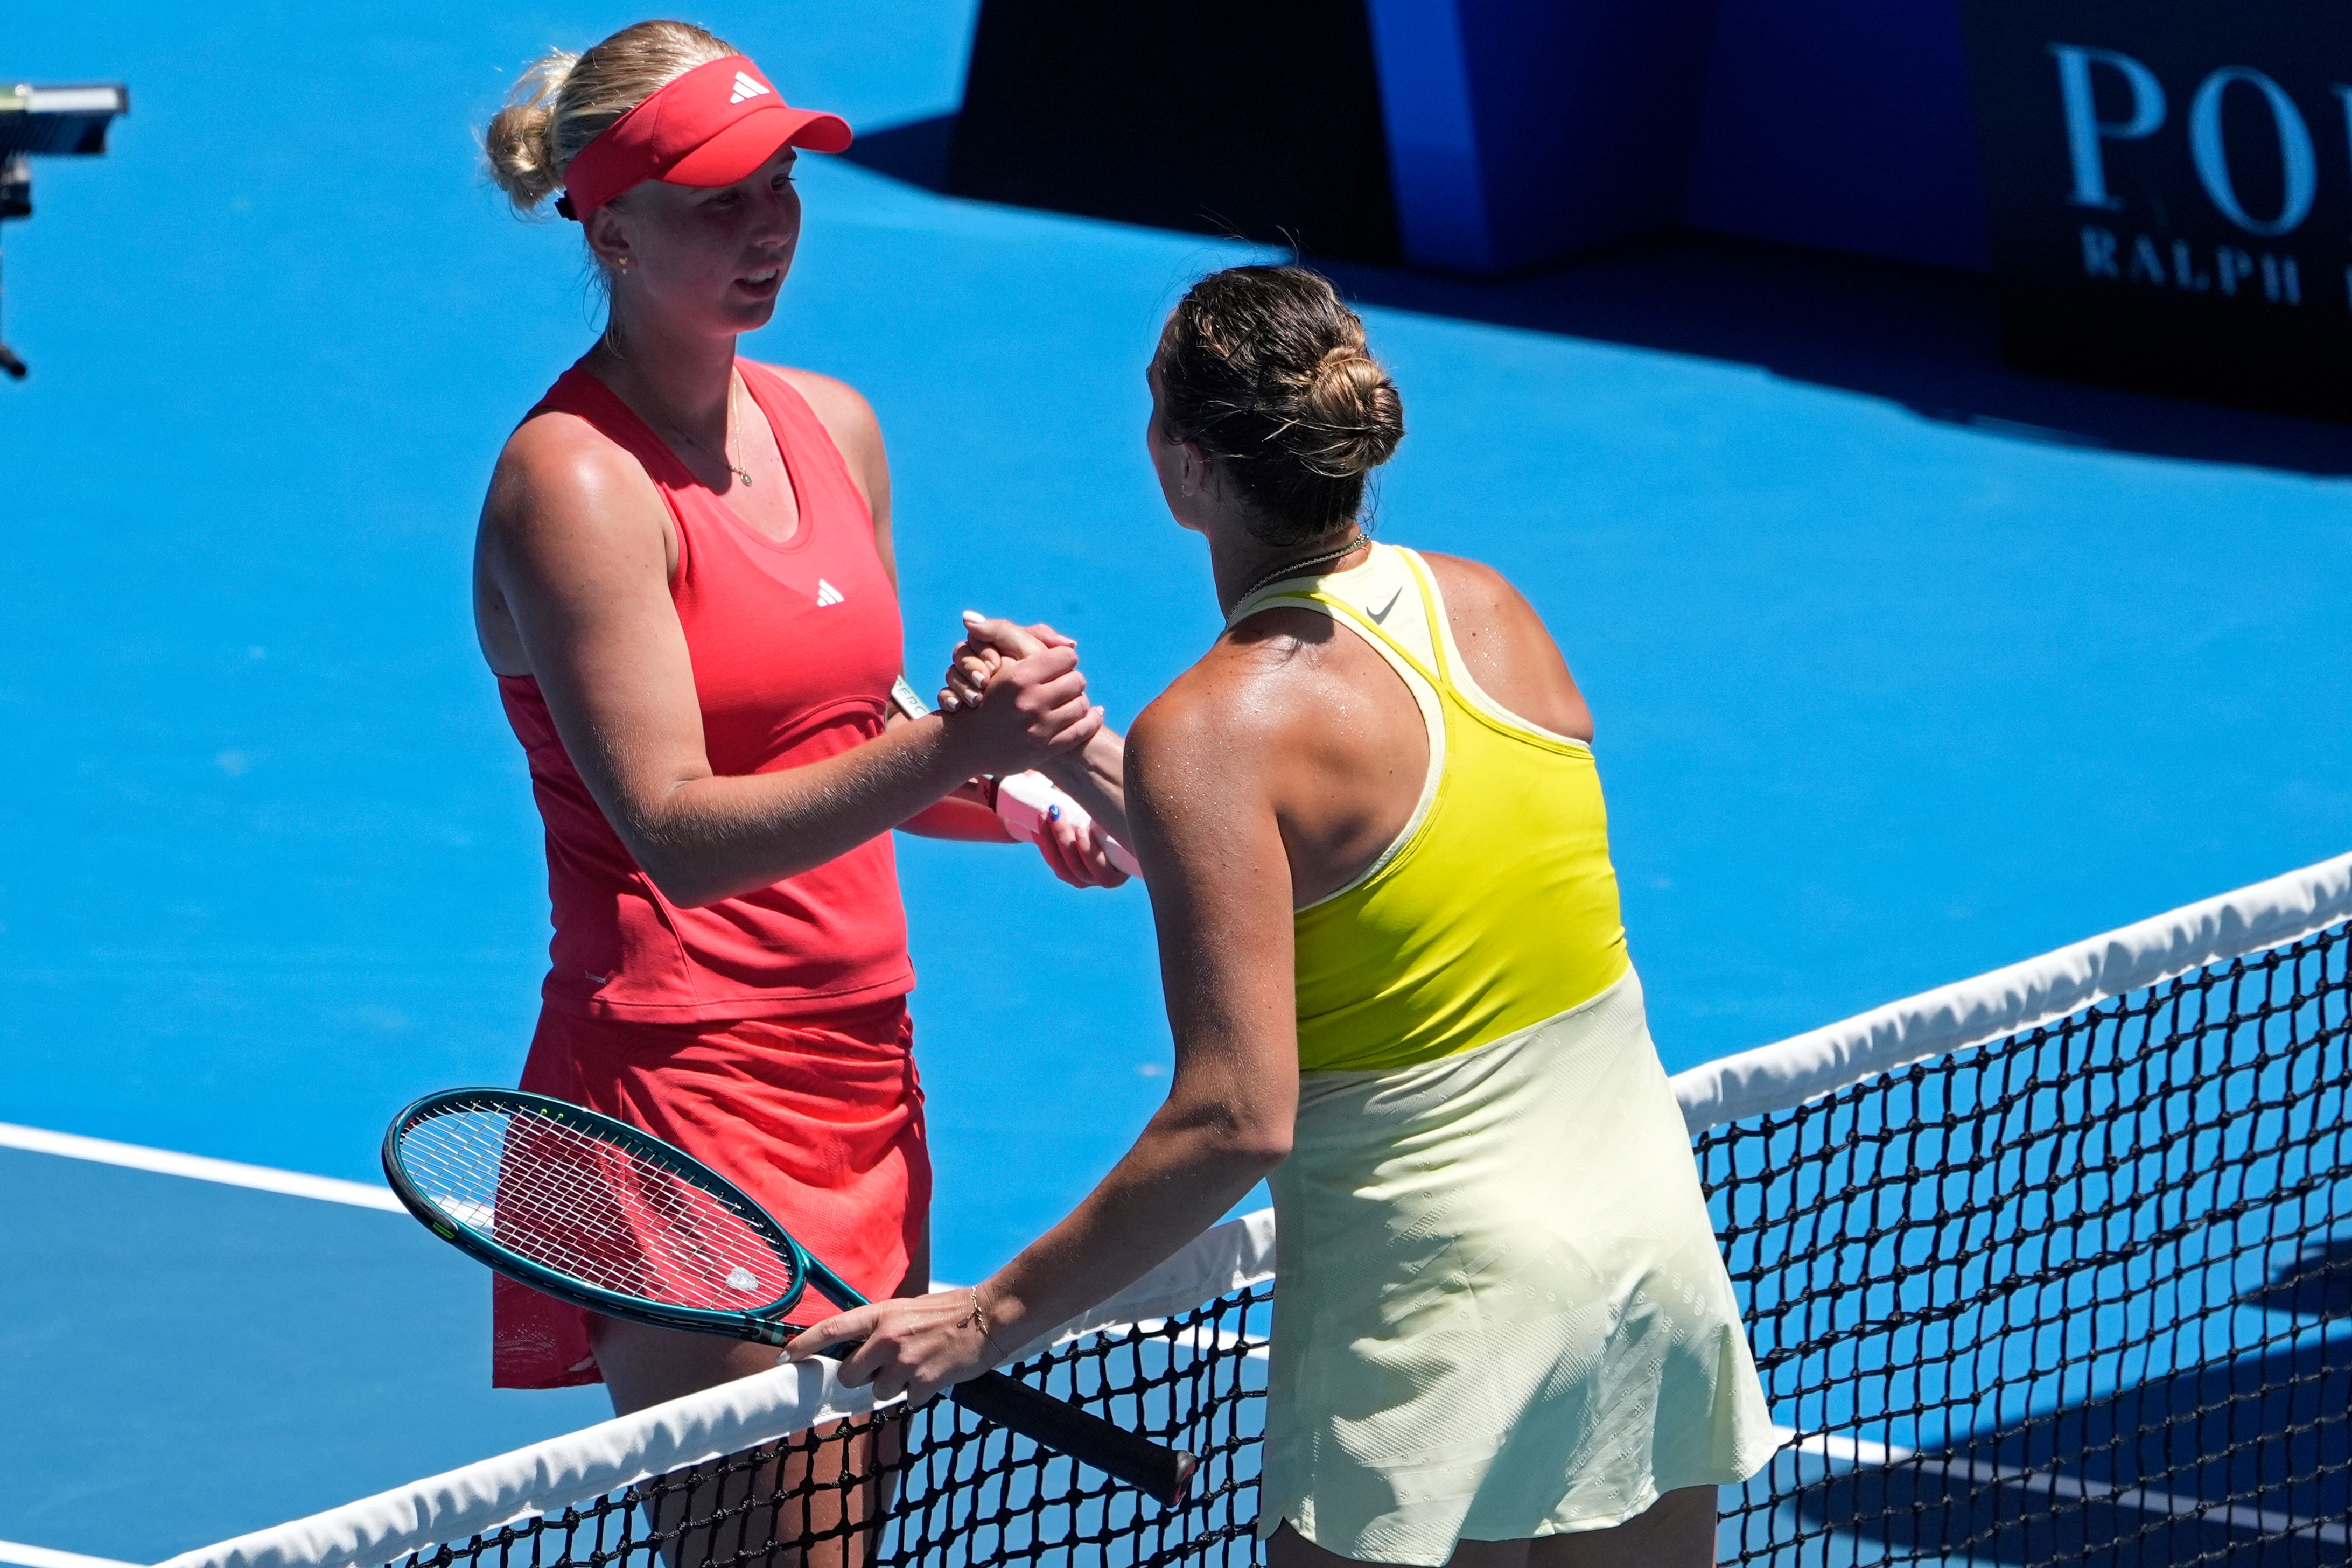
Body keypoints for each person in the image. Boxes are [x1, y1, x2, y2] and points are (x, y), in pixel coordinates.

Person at [792, 265, 1777, 1568]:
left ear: (1186, 465)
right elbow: (1351, 874)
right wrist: (1076, 747)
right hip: (1648, 1267)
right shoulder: (1491, 611)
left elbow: (1236, 1118)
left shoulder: (1211, 733)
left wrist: (988, 1317)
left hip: (1448, 1323)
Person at [470, 17, 1128, 1420]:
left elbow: (845, 744)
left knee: (854, 1518)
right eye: (719, 200)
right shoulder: (574, 485)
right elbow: (679, 836)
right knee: (775, 1524)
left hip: (868, 1068)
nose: (769, 226)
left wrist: (1023, 800)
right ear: (613, 229)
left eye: (781, 184)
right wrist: (963, 745)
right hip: (682, 1093)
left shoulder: (837, 427)